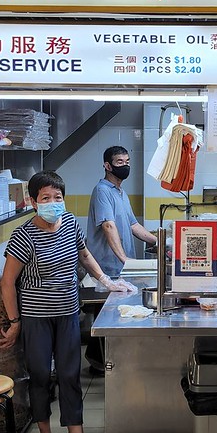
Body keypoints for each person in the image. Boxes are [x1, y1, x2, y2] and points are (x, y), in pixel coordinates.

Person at [0, 170, 132, 433]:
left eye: (58, 197)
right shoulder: (24, 234)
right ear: (33, 201)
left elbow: (84, 255)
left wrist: (107, 281)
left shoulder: (70, 223)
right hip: (36, 318)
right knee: (42, 376)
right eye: (46, 198)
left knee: (70, 375)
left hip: (68, 312)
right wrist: (15, 322)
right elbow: (7, 282)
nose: (53, 203)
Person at [84, 146, 158, 373]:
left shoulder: (120, 193)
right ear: (107, 166)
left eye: (127, 161)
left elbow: (133, 225)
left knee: (118, 316)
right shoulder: (102, 191)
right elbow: (108, 225)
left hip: (122, 267)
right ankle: (98, 363)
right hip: (107, 267)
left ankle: (104, 361)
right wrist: (124, 259)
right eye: (119, 162)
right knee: (106, 317)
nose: (124, 166)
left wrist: (159, 242)